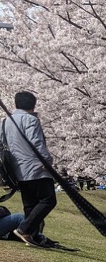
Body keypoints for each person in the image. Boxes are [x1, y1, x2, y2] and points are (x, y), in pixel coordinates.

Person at [4, 91, 57, 247]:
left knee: (30, 204)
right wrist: (47, 160)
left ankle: (31, 235)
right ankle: (25, 229)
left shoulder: (5, 122)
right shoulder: (30, 120)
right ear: (33, 104)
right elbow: (36, 143)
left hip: (17, 169)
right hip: (35, 167)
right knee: (48, 200)